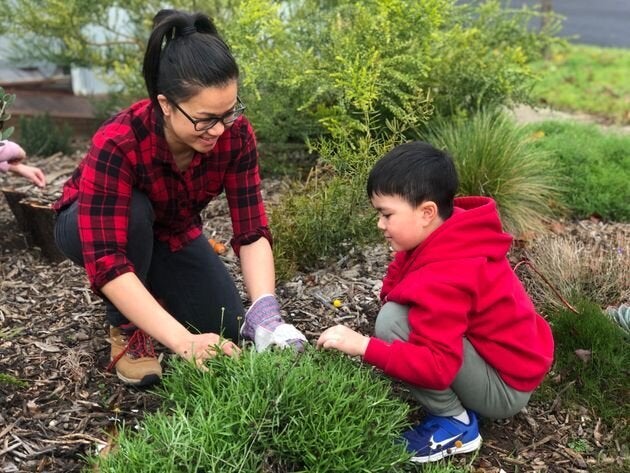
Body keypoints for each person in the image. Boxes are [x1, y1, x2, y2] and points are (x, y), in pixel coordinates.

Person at [53, 9, 306, 388]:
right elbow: (106, 261)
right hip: (89, 227)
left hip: (170, 230)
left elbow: (251, 231)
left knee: (227, 328)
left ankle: (152, 294)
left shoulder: (234, 135)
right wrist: (183, 342)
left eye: (229, 112)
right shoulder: (119, 141)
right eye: (205, 119)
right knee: (134, 214)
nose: (219, 129)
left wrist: (265, 313)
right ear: (166, 104)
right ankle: (128, 329)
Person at [317, 141, 554, 463]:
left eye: (386, 214)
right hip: (509, 362)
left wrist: (364, 346)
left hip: (504, 388)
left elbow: (437, 367)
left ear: (427, 211)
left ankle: (455, 422)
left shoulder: (449, 272)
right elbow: (401, 275)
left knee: (392, 323)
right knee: (399, 315)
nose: (380, 225)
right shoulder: (449, 230)